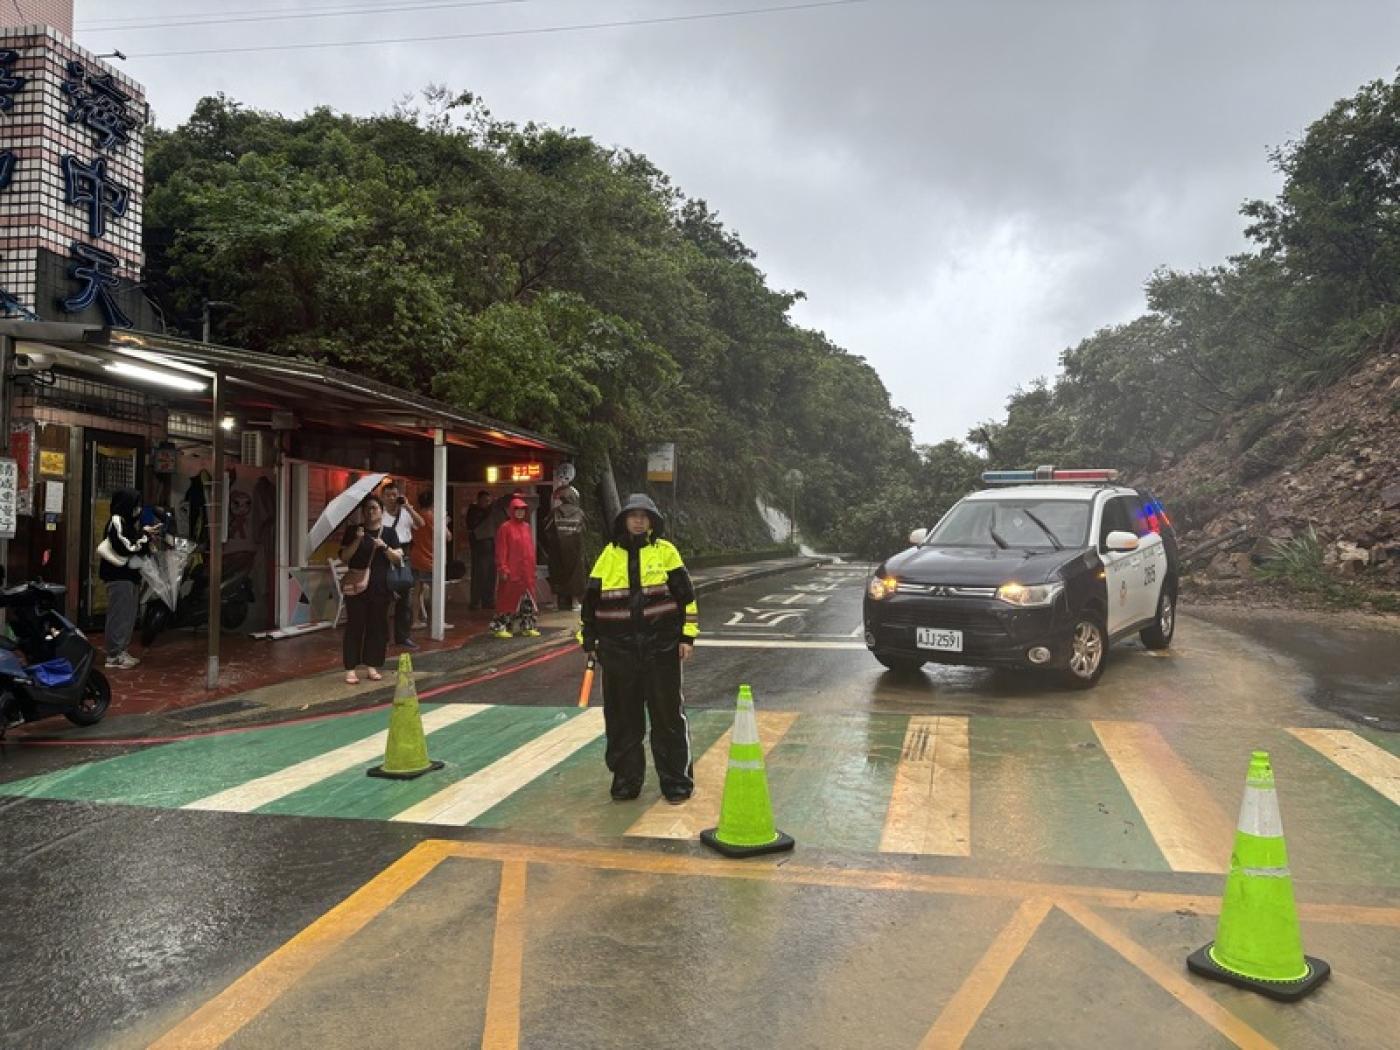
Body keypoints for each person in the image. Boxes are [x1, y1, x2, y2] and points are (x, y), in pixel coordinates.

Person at [578, 493, 698, 803]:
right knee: (621, 719)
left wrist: (687, 636)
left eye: (645, 515)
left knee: (668, 717)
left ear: (652, 521)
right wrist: (589, 640)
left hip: (662, 649)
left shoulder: (666, 552)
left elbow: (686, 597)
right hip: (618, 653)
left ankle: (676, 782)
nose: (639, 520)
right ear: (624, 520)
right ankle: (626, 781)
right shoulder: (608, 555)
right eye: (634, 515)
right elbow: (590, 603)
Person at [339, 494, 405, 684]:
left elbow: (398, 559)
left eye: (374, 508)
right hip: (357, 586)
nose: (370, 512)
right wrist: (357, 541)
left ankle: (372, 665)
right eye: (367, 508)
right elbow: (344, 557)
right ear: (362, 512)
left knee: (377, 626)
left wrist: (385, 547)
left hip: (380, 586)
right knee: (355, 625)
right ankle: (350, 668)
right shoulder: (354, 531)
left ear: (381, 512)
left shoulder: (389, 533)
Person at [98, 487, 154, 670]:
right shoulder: (116, 521)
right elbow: (127, 547)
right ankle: (114, 654)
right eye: (135, 504)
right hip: (118, 576)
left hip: (129, 576)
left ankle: (121, 651)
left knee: (128, 615)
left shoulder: (128, 523)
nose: (137, 509)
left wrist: (144, 535)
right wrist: (144, 537)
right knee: (119, 615)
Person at [489, 496, 540, 639]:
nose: (519, 512)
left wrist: (532, 569)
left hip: (526, 572)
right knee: (506, 601)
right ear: (511, 511)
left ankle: (528, 626)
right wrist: (503, 568)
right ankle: (499, 627)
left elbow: (530, 550)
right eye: (517, 509)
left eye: (522, 510)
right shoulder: (505, 528)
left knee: (527, 601)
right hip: (512, 571)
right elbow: (501, 550)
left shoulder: (526, 527)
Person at [381, 480, 424, 650]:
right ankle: (382, 637)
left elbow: (421, 524)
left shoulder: (405, 512)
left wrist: (408, 507)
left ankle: (403, 636)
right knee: (384, 599)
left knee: (404, 599)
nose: (392, 498)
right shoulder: (381, 514)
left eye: (394, 495)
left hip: (404, 554)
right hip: (386, 554)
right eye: (388, 495)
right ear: (382, 498)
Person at [408, 489, 450, 628]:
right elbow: (447, 537)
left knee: (417, 591)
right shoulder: (432, 517)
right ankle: (437, 622)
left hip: (415, 556)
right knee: (437, 590)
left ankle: (415, 620)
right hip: (429, 558)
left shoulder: (416, 516)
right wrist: (444, 522)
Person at [545, 485, 587, 611]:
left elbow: (547, 530)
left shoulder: (555, 512)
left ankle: (555, 603)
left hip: (556, 550)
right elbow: (584, 530)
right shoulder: (579, 513)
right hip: (575, 550)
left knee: (556, 575)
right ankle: (575, 603)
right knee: (575, 575)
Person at [465, 490, 496, 611]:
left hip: (491, 545)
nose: (487, 503)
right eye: (485, 501)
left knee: (491, 575)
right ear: (479, 501)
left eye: (489, 501)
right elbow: (472, 525)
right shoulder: (474, 511)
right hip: (480, 547)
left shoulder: (492, 512)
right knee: (479, 574)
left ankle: (488, 600)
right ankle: (475, 601)